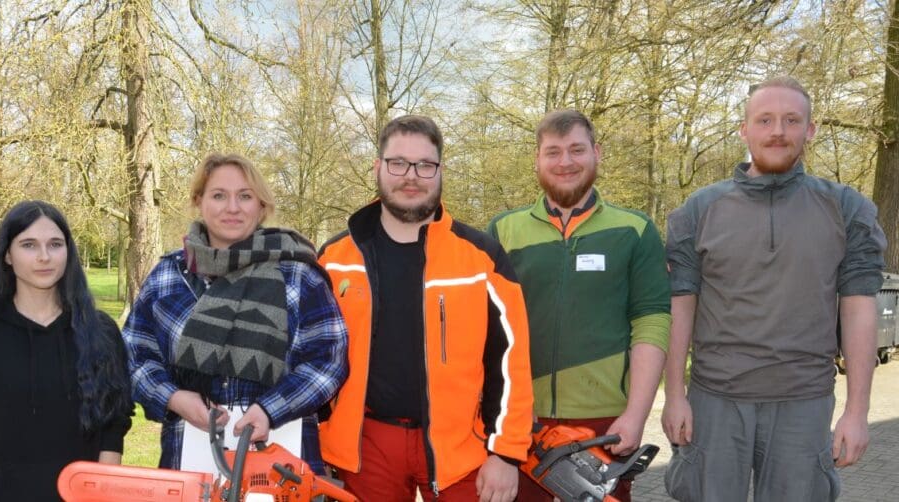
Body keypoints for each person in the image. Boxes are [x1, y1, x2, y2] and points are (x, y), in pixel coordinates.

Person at [662, 76, 887, 501]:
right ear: (745, 129)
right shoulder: (699, 210)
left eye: (791, 120)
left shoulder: (846, 209)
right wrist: (675, 395)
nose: (778, 131)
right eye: (764, 120)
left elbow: (859, 310)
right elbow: (679, 307)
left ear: (810, 129)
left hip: (804, 403)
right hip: (715, 401)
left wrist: (857, 413)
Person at [318, 114, 534, 502]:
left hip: (462, 446)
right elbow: (312, 355)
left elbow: (511, 361)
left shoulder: (481, 257)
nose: (411, 175)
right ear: (378, 167)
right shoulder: (334, 258)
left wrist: (506, 453)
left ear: (440, 170)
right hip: (367, 447)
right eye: (398, 162)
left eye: (425, 165)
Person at [122, 152, 348, 474]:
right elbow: (134, 354)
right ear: (199, 201)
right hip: (189, 458)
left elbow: (329, 360)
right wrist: (173, 397)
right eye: (218, 195)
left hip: (283, 461)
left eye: (245, 196)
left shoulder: (299, 275)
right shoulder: (168, 276)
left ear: (262, 206)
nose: (232, 207)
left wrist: (270, 410)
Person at [487, 109, 671, 502]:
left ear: (597, 153)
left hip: (605, 423)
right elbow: (486, 331)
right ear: (536, 159)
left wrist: (636, 416)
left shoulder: (635, 230)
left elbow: (652, 323)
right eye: (553, 152)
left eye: (576, 150)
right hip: (522, 420)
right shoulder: (504, 230)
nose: (565, 162)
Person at [0, 200, 133, 502]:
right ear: (7, 254)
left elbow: (113, 430)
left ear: (68, 252)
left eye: (55, 244)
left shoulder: (101, 333)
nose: (44, 257)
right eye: (29, 245)